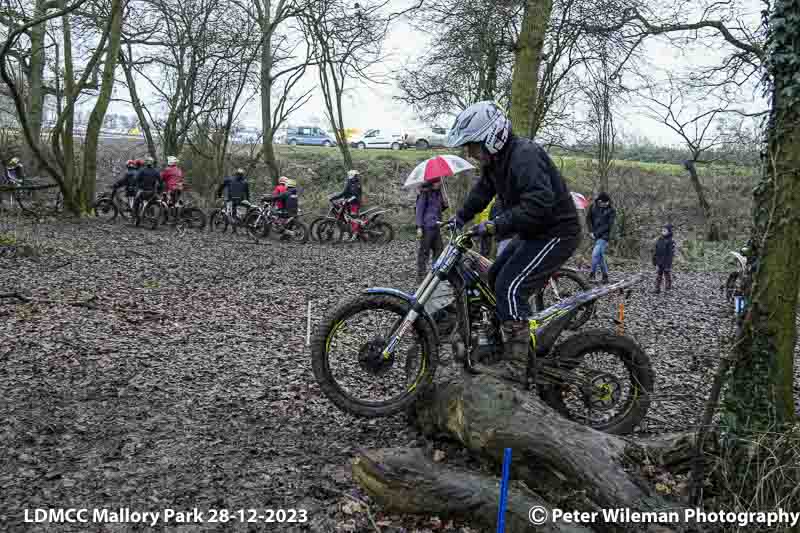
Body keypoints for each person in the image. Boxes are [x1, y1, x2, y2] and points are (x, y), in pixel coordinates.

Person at [447, 100, 582, 384]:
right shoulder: (497, 162)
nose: (470, 152)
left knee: (511, 286)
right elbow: (483, 190)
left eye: (472, 145)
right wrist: (460, 217)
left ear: (491, 137)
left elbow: (539, 202)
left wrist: (497, 225)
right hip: (535, 231)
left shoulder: (524, 155)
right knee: (495, 275)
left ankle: (516, 367)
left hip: (558, 232)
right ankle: (501, 341)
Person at [415, 178, 449, 283]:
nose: (440, 184)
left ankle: (435, 272)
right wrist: (419, 227)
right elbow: (419, 210)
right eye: (438, 182)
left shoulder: (438, 193)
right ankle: (421, 275)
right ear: (433, 183)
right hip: (426, 227)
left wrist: (445, 204)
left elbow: (439, 208)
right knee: (424, 251)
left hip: (436, 226)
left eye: (440, 182)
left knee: (439, 250)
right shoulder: (424, 193)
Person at [585, 192, 615, 284]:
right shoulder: (593, 207)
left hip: (604, 237)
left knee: (595, 254)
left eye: (608, 202)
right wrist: (590, 231)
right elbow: (588, 219)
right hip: (595, 235)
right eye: (604, 202)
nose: (606, 204)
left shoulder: (611, 210)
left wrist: (596, 234)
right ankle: (605, 276)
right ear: (599, 201)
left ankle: (592, 274)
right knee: (600, 256)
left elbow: (608, 226)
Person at [330, 169, 362, 241]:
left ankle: (355, 235)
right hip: (348, 204)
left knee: (354, 219)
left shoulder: (357, 184)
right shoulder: (349, 183)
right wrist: (334, 197)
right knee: (347, 219)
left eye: (356, 176)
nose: (357, 177)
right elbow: (343, 193)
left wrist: (347, 200)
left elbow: (355, 195)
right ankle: (349, 233)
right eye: (356, 175)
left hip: (354, 204)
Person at [652, 223, 676, 294]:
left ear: (669, 232)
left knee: (667, 275)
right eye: (662, 230)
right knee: (659, 275)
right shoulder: (660, 240)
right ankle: (657, 288)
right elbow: (656, 250)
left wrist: (668, 265)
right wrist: (654, 259)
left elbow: (670, 255)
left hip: (666, 262)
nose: (663, 232)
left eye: (665, 231)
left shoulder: (670, 242)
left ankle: (668, 288)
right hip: (659, 261)